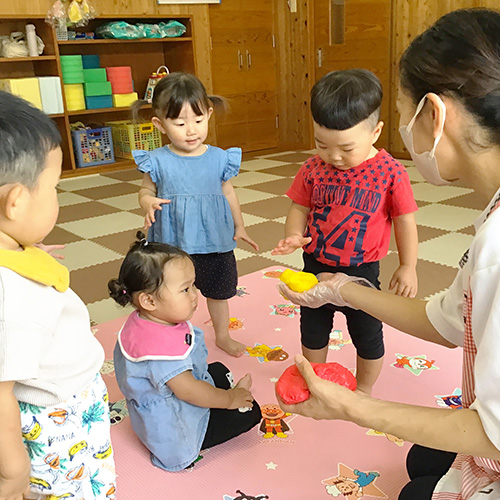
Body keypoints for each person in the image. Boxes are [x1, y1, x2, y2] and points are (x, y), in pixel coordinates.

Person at [276, 8, 500, 499]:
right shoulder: (491, 222)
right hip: (335, 272)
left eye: (400, 112)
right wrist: (345, 289)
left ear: (434, 115)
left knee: (412, 489)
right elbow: (447, 321)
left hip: (497, 440)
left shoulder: (497, 249)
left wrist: (353, 407)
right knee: (422, 458)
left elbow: (496, 435)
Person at [272, 69, 418, 395]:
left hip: (361, 272)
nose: (333, 156)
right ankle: (316, 381)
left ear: (376, 131)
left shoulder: (391, 173)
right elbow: (299, 207)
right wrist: (295, 234)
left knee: (367, 333)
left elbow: (406, 220)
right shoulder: (312, 168)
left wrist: (408, 266)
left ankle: (363, 390)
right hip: (315, 266)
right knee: (313, 329)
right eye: (321, 144)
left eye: (346, 148)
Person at [0, 91, 116, 500]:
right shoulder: (11, 298)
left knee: (95, 475)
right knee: (75, 490)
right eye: (54, 188)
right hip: (55, 417)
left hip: (72, 401)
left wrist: (23, 251)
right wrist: (13, 474)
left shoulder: (9, 252)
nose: (56, 198)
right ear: (15, 202)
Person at [108, 234, 261, 472]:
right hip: (176, 427)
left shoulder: (145, 320)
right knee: (250, 411)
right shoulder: (159, 351)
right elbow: (189, 392)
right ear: (149, 300)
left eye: (193, 285)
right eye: (185, 289)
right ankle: (221, 409)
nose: (195, 294)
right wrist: (230, 399)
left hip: (167, 394)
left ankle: (222, 393)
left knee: (218, 371)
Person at [132, 72, 259, 358]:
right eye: (179, 123)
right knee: (170, 295)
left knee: (218, 292)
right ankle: (173, 338)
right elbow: (144, 191)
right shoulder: (157, 161)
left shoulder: (219, 158)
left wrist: (240, 226)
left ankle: (222, 335)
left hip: (214, 240)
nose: (191, 131)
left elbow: (228, 193)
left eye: (198, 121)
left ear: (209, 115)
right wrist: (148, 201)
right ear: (160, 124)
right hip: (172, 243)